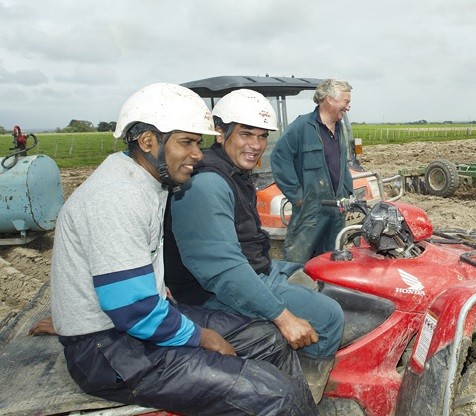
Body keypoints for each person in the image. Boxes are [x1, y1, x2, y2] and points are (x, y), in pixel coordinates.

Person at [49, 83, 318, 415]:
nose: (198, 154)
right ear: (149, 141)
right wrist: (202, 337)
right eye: (186, 142)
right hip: (108, 349)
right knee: (274, 394)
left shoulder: (148, 182)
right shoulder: (117, 197)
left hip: (128, 323)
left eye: (199, 143)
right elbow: (134, 310)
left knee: (269, 339)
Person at [164, 88, 344, 403]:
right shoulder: (207, 183)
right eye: (246, 134)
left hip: (251, 266)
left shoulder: (233, 172)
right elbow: (222, 271)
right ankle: (302, 397)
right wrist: (283, 317)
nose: (256, 145)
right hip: (209, 294)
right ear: (220, 133)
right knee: (330, 317)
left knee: (313, 272)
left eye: (261, 136)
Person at [270, 79, 354, 263]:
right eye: (346, 101)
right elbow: (279, 158)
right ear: (330, 100)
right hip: (310, 208)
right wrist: (297, 196)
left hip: (336, 208)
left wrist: (348, 192)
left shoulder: (340, 129)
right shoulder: (302, 126)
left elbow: (341, 165)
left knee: (332, 258)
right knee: (297, 260)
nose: (348, 106)